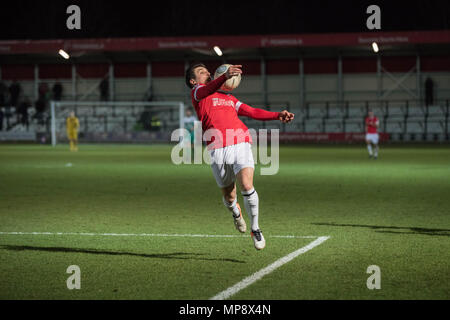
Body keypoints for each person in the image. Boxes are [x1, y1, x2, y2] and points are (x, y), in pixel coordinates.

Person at [185, 62, 294, 250]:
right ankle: (236, 212)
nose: (208, 74)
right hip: (216, 147)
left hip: (240, 140)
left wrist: (277, 115)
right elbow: (206, 89)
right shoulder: (197, 93)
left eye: (208, 72)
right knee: (229, 196)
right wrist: (224, 77)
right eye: (202, 73)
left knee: (246, 184)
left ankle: (255, 228)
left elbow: (251, 111)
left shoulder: (228, 97)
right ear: (193, 80)